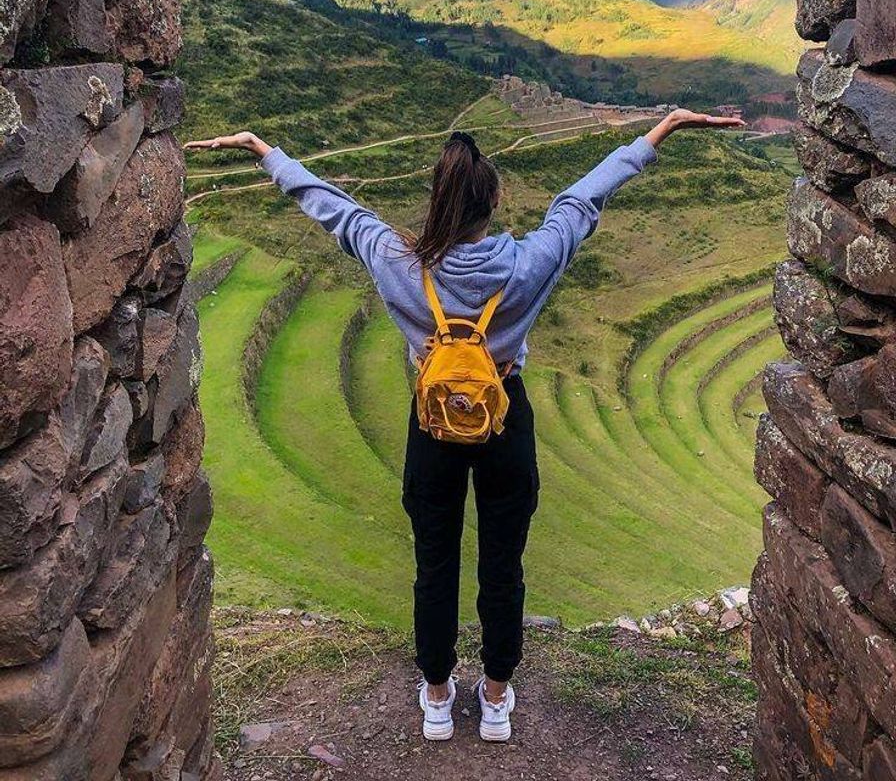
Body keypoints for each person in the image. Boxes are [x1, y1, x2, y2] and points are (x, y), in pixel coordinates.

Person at [184, 107, 744, 742]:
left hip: (432, 429)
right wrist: (659, 132)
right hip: (505, 419)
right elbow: (582, 198)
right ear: (494, 199)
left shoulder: (398, 260)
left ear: (438, 199)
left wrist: (267, 151)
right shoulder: (529, 264)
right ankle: (498, 694)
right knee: (504, 564)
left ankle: (438, 694)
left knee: (434, 562)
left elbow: (333, 208)